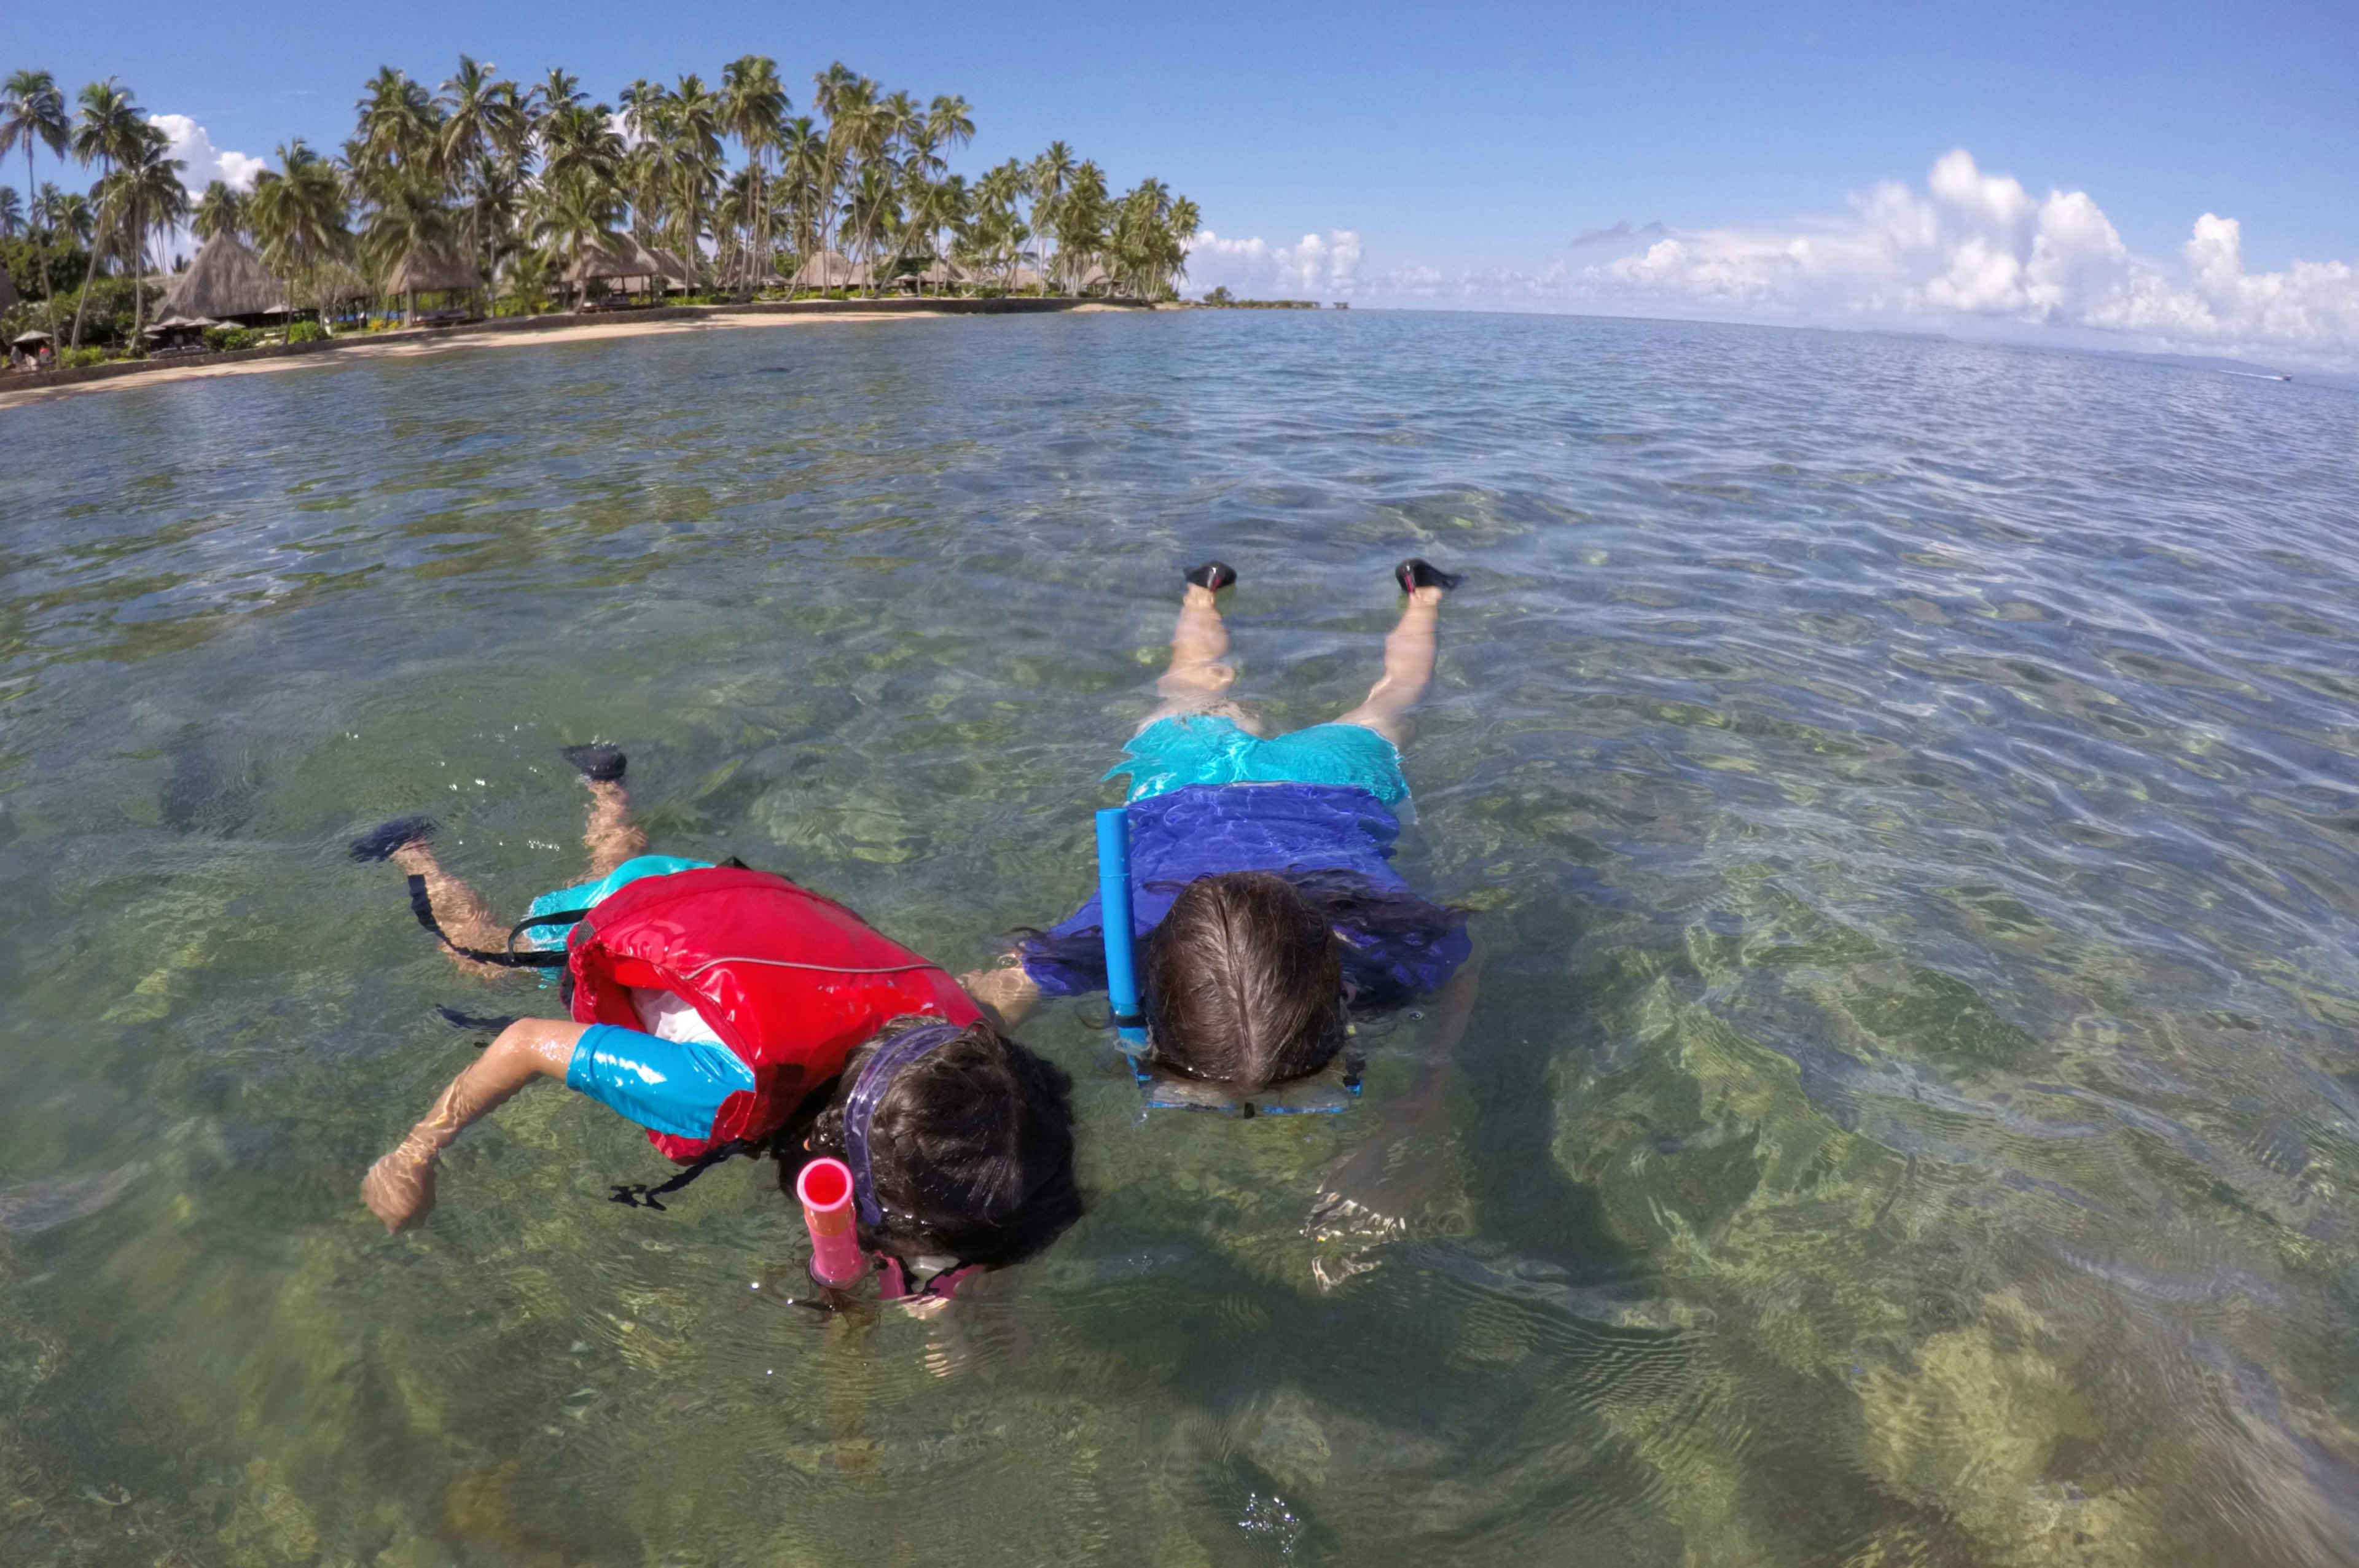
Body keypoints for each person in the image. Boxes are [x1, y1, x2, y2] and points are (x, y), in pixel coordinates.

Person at [353, 744, 1082, 1297]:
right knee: (482, 954)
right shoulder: (714, 1093)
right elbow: (522, 1044)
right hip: (623, 917)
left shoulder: (955, 1034)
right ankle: (414, 853)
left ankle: (608, 784)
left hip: (720, 894)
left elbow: (1005, 990)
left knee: (627, 861)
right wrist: (417, 1152)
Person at [964, 560, 1484, 1223]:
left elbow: (972, 1006)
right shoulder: (1100, 946)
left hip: (1308, 784)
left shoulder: (1104, 949)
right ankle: (1422, 592)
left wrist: (1422, 1105)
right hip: (1235, 782)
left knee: (1235, 691)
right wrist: (1425, 1093)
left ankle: (1207, 589)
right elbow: (981, 1003)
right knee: (1385, 697)